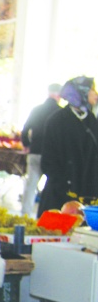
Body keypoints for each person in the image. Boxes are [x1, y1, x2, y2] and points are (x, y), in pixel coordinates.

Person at [38, 76, 98, 216]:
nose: (95, 94)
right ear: (81, 92)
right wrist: (65, 186)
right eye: (92, 90)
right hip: (60, 196)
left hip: (88, 195)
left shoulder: (92, 121)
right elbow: (48, 161)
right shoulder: (57, 121)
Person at [20, 83, 62, 215]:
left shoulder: (37, 110)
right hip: (53, 156)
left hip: (35, 151)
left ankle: (25, 215)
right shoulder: (60, 113)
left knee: (31, 185)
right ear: (59, 95)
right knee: (52, 186)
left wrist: (27, 145)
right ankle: (47, 214)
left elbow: (25, 129)